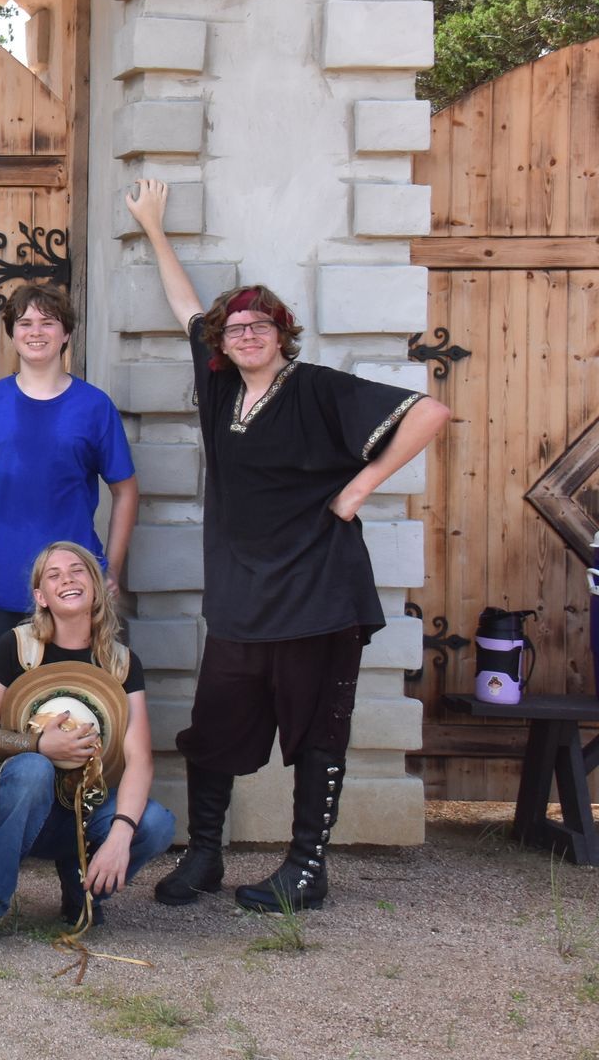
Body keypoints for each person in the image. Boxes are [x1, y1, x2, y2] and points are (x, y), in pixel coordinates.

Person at [126, 178, 449, 912]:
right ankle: (205, 856)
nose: (245, 336)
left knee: (315, 732)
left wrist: (359, 491)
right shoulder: (218, 391)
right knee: (215, 727)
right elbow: (187, 309)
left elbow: (431, 411)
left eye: (259, 328)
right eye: (236, 329)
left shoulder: (318, 389)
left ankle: (306, 868)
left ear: (282, 335)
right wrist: (153, 228)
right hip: (242, 595)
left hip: (317, 593)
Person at [0, 280, 137, 878]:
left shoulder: (93, 407)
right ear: (11, 334)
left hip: (76, 597)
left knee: (87, 712)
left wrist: (112, 571)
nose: (35, 330)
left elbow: (126, 490)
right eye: (24, 322)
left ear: (65, 333)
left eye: (47, 321)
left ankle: (79, 830)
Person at [0, 543, 175, 948]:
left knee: (155, 824)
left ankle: (82, 887)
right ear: (40, 597)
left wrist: (120, 837)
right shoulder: (16, 647)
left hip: (80, 807)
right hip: (8, 801)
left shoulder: (121, 663)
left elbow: (139, 760)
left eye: (78, 570)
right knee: (34, 770)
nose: (67, 578)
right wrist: (38, 744)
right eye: (53, 575)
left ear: (97, 587)